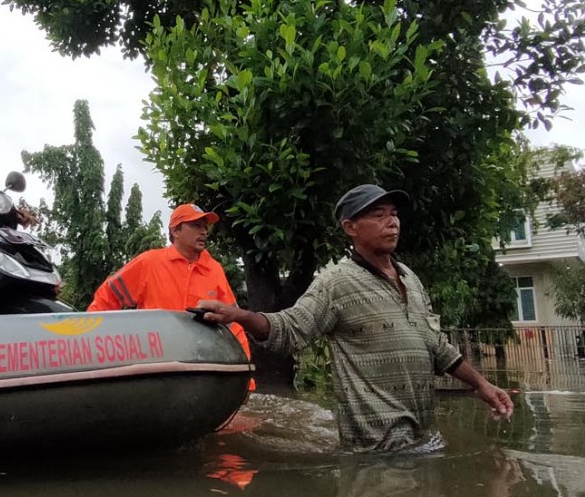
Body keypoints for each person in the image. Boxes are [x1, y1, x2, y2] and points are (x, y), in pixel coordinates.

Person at [197, 184, 513, 452]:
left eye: (394, 214)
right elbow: (290, 329)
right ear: (350, 227)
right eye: (378, 215)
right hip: (374, 452)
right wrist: (240, 315)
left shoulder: (411, 280)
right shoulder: (336, 283)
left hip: (422, 441)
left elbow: (438, 347)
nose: (392, 223)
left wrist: (482, 385)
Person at [88, 203, 252, 364]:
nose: (203, 232)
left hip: (199, 365)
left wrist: (246, 376)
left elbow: (233, 324)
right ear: (175, 231)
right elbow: (107, 297)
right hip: (155, 364)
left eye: (205, 227)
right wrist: (91, 341)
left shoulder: (214, 270)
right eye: (195, 225)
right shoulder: (150, 262)